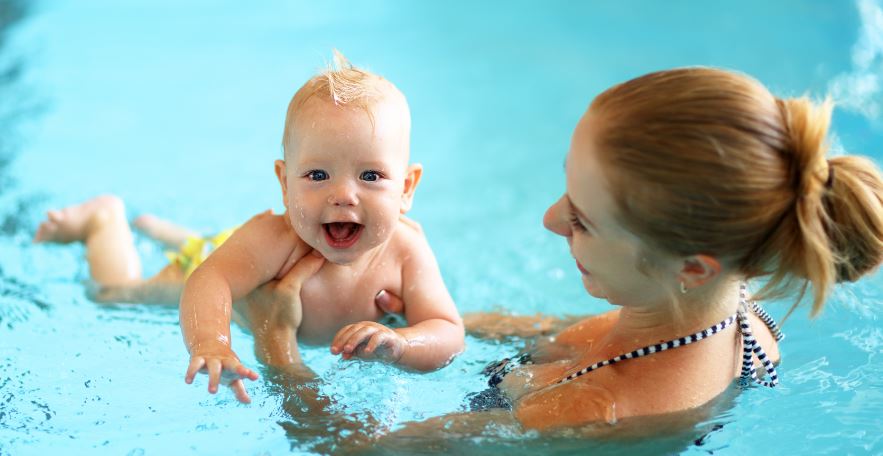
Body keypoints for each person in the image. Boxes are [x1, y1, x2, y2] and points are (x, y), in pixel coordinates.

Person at [247, 67, 883, 433]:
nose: (551, 219)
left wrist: (277, 347)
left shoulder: (591, 410)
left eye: (582, 219)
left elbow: (353, 450)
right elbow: (566, 335)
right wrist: (411, 326)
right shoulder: (732, 304)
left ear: (693, 265)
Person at [34, 51, 465, 405]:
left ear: (407, 188)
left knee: (227, 249)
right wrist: (211, 340)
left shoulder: (406, 250)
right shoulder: (277, 239)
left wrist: (403, 344)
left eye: (370, 176)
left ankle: (169, 232)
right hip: (227, 258)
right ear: (284, 182)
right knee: (117, 295)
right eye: (317, 175)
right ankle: (103, 221)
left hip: (241, 253)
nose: (344, 195)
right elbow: (210, 278)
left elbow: (446, 330)